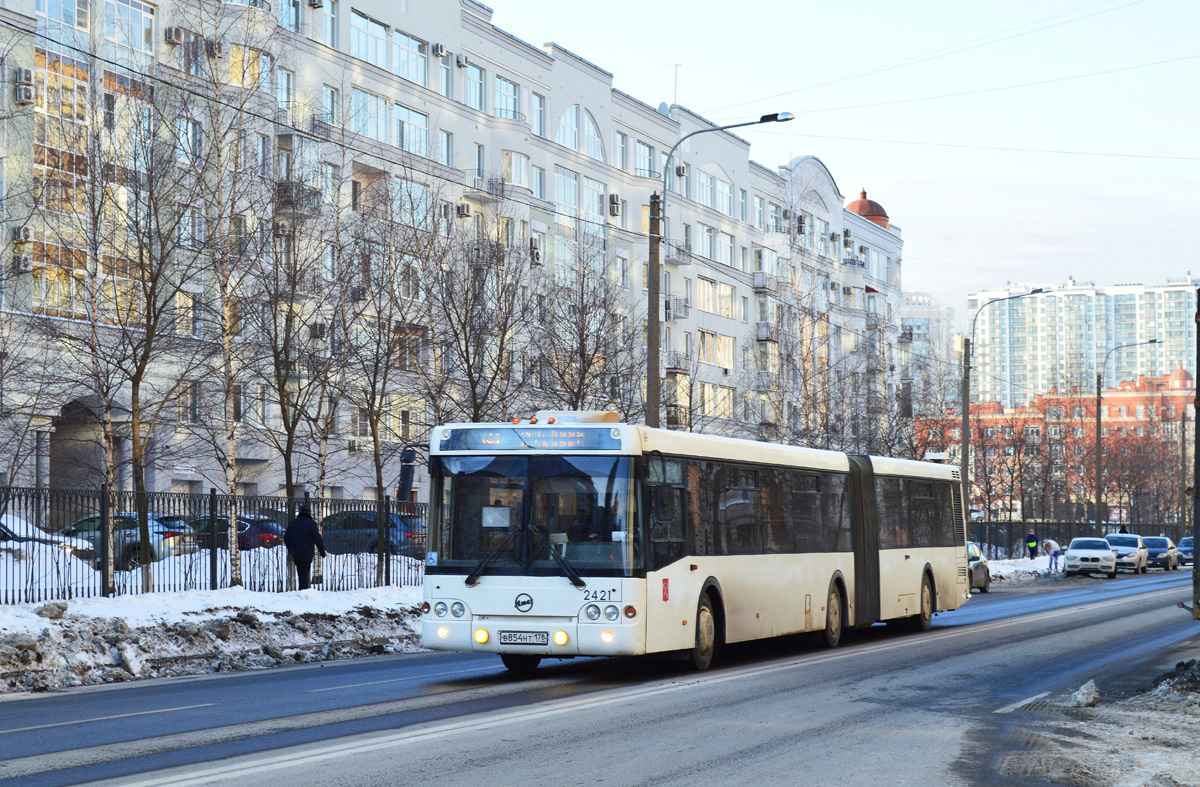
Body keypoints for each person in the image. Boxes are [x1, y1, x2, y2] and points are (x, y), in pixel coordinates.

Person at [285, 504, 326, 590]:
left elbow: (286, 538)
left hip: (296, 552)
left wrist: (291, 549)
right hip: (307, 552)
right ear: (309, 512)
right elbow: (317, 538)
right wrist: (322, 551)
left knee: (300, 572)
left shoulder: (293, 523)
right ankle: (303, 590)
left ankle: (303, 589)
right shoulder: (311, 524)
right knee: (304, 572)